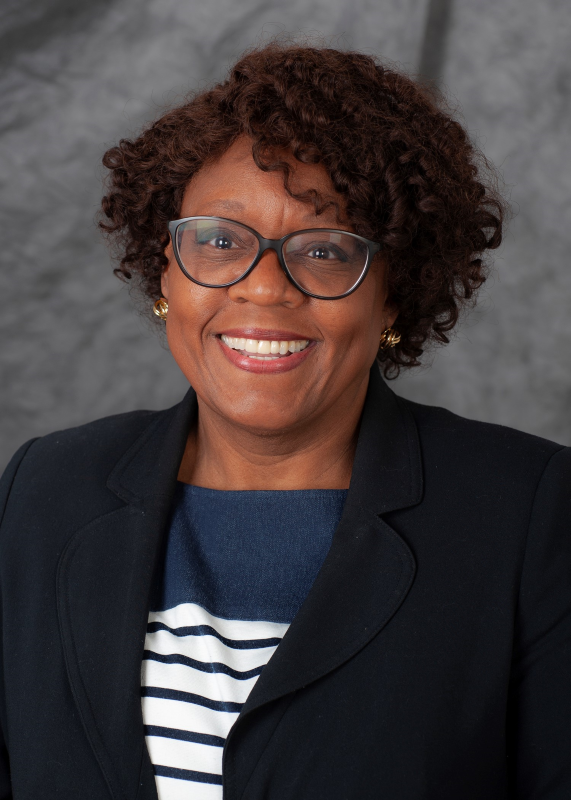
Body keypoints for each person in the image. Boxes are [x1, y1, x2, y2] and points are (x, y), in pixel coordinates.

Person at [0, 42, 569, 800]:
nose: (265, 289)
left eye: (324, 250)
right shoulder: (44, 490)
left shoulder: (528, 514)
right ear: (165, 272)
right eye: (218, 240)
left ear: (393, 295)